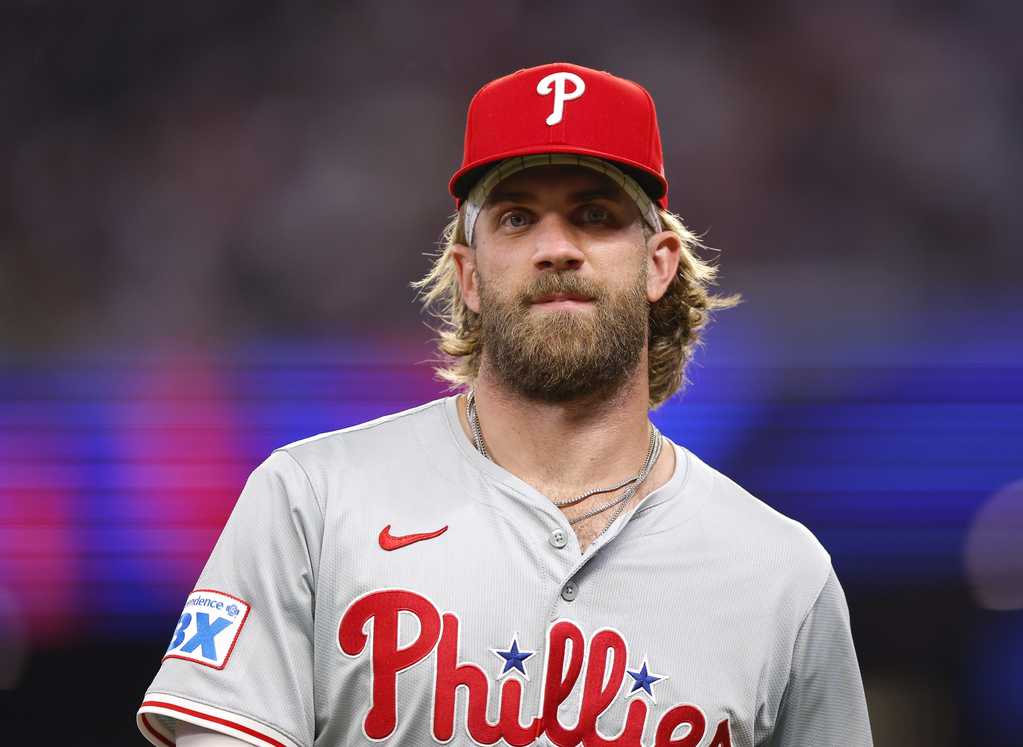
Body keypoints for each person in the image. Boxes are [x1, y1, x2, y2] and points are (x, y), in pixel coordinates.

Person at [136, 61, 872, 747]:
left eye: (594, 214)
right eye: (518, 218)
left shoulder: (781, 572)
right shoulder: (312, 502)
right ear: (469, 274)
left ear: (658, 264)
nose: (556, 247)